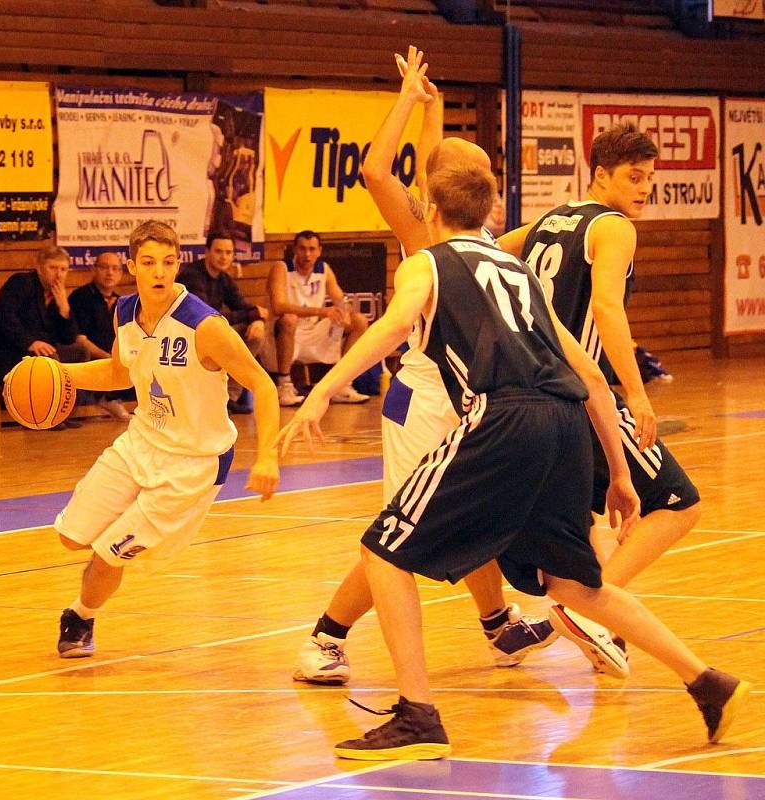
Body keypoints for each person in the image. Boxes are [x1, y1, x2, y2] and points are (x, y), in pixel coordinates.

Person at [277, 161, 750, 759]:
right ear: (489, 211)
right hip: (567, 423)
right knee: (575, 585)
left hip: (504, 416)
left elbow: (396, 325)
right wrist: (621, 470)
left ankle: (418, 716)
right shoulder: (521, 273)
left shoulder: (427, 262)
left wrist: (323, 389)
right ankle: (708, 682)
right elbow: (588, 374)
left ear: (430, 209)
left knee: (382, 551)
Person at [290, 47, 552, 687]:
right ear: (449, 189)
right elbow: (379, 168)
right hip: (424, 397)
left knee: (472, 510)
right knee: (401, 533)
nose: (489, 181)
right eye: (478, 171)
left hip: (472, 397)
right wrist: (408, 99)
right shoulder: (422, 230)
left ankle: (496, 623)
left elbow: (441, 165)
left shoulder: (479, 233)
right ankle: (325, 637)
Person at [498, 123, 701, 675]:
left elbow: (486, 251)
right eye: (634, 177)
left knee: (599, 521)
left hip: (526, 397)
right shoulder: (613, 228)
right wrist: (637, 394)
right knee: (679, 504)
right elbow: (609, 309)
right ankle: (590, 610)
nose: (643, 189)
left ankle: (572, 618)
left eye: (650, 180)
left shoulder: (550, 221)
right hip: (578, 398)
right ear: (602, 173)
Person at [44, 220, 280, 658]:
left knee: (107, 553)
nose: (159, 272)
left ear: (177, 265)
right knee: (71, 537)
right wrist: (58, 375)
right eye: (148, 263)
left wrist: (266, 456)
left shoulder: (205, 326)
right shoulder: (124, 312)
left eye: (168, 263)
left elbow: (263, 385)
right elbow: (119, 371)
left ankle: (80, 616)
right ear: (132, 266)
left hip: (192, 463)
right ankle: (88, 598)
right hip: (140, 442)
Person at [0, 245, 90, 428]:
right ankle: (42, 416)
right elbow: (3, 315)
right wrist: (30, 342)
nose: (59, 275)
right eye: (53, 268)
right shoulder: (22, 283)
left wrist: (64, 308)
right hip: (3, 355)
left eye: (63, 269)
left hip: (38, 354)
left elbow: (68, 338)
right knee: (48, 359)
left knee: (80, 352)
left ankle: (62, 413)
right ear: (40, 267)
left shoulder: (57, 296)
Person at [266, 230, 369, 407]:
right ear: (294, 249)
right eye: (302, 249)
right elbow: (278, 306)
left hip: (313, 331)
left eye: (312, 249)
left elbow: (340, 299)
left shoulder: (324, 270)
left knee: (359, 321)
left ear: (319, 251)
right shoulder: (281, 268)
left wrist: (344, 312)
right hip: (283, 334)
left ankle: (341, 384)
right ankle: (284, 385)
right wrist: (321, 311)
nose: (307, 254)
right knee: (289, 319)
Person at [178, 230, 269, 414]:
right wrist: (252, 314)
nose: (224, 257)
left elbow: (241, 305)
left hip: (208, 333)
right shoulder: (193, 276)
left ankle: (229, 397)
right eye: (219, 251)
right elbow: (207, 316)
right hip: (184, 336)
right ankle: (213, 396)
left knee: (255, 334)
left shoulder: (223, 278)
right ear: (207, 251)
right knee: (228, 333)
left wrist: (257, 319)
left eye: (228, 253)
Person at [68, 250, 132, 421]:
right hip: (93, 358)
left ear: (120, 273)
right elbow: (80, 340)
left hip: (115, 359)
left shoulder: (121, 302)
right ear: (94, 269)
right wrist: (110, 358)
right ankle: (103, 400)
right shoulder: (80, 298)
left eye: (115, 268)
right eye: (104, 267)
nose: (110, 272)